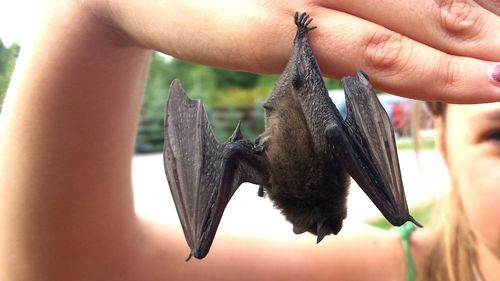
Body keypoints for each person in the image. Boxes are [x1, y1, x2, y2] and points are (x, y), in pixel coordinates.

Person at [0, 0, 499, 280]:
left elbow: (333, 137)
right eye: (497, 135)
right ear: (443, 136)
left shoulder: (306, 174)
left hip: (297, 98)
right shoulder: (389, 266)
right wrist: (91, 13)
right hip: (300, 98)